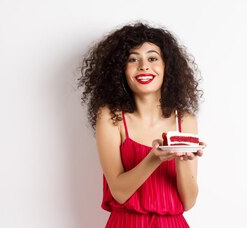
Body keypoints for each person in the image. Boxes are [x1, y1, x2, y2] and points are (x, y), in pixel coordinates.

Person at [78, 22, 205, 227]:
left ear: (167, 66)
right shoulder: (111, 117)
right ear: (121, 69)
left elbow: (188, 202)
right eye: (133, 59)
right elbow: (119, 193)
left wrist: (182, 158)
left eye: (152, 58)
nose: (144, 66)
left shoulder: (185, 119)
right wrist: (154, 157)